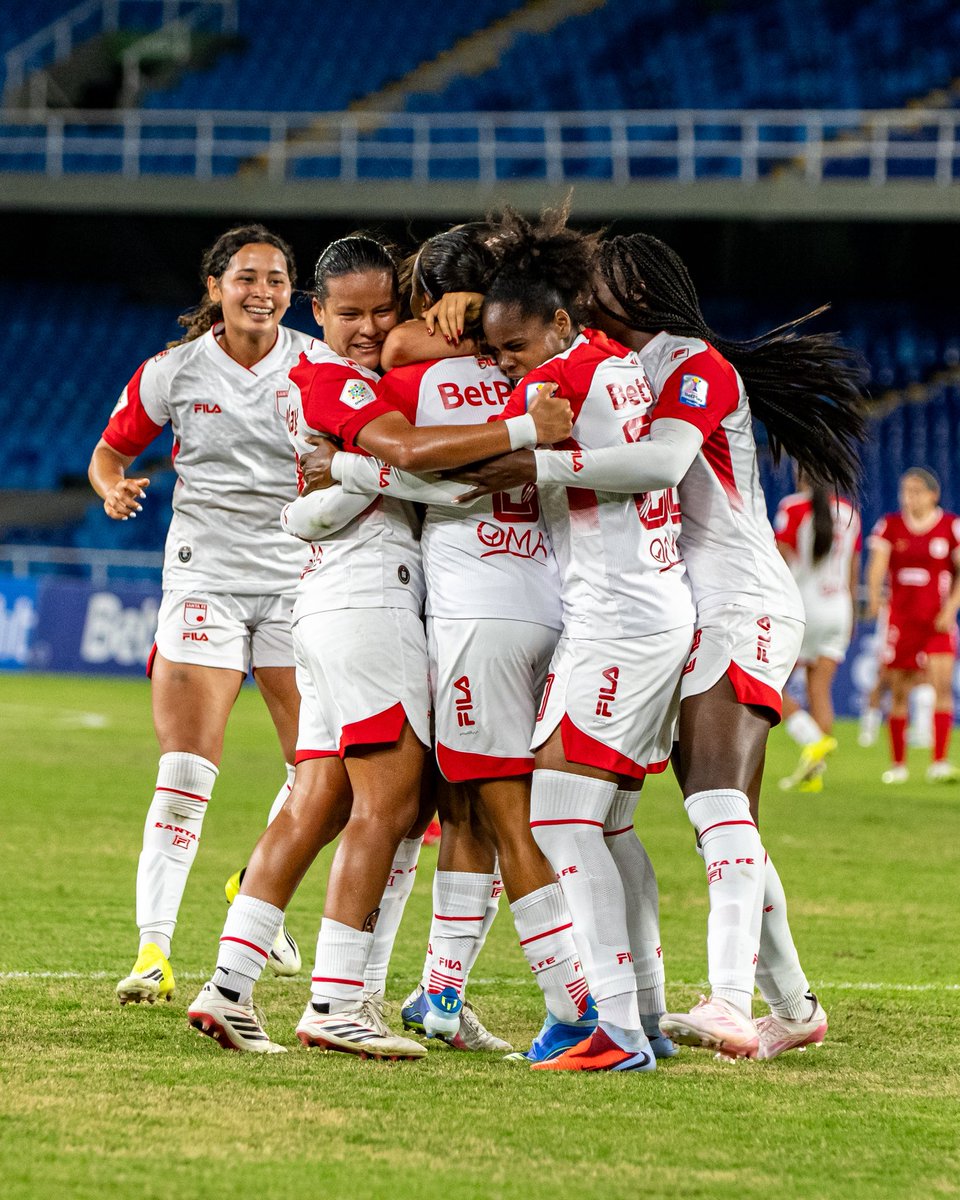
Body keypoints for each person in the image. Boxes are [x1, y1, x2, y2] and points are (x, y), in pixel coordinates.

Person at [459, 229, 869, 1060]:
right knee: (703, 816)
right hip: (687, 604)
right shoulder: (624, 363)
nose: (591, 288)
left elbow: (661, 462)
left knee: (715, 807)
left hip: (740, 600)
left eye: (604, 278)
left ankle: (724, 1000)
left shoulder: (693, 366)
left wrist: (536, 468)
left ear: (638, 290)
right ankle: (791, 1007)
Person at [186, 235, 572, 1056]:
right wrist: (517, 432)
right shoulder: (337, 382)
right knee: (392, 807)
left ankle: (229, 984)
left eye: (381, 311)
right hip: (373, 602)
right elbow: (402, 453)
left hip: (333, 600)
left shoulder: (366, 380)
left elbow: (369, 472)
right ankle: (335, 1003)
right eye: (349, 313)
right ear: (314, 312)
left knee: (319, 798)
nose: (369, 328)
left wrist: (358, 479)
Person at [305, 224, 613, 1062]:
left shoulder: (416, 367)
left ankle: (577, 1008)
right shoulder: (544, 368)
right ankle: (441, 991)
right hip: (545, 599)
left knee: (509, 817)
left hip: (475, 615)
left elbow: (386, 359)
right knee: (464, 803)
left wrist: (437, 316)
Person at [473, 208, 696, 1073]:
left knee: (560, 821)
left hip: (618, 620)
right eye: (492, 350)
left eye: (513, 346)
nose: (504, 365)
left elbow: (500, 467)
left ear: (561, 323)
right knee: (608, 831)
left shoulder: (558, 383)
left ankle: (617, 1030)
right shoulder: (617, 365)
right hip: (650, 609)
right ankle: (646, 1013)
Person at [89, 224, 312, 1006]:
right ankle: (153, 951)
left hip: (299, 582)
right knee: (186, 771)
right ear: (216, 286)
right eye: (246, 277)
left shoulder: (316, 366)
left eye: (278, 279)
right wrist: (112, 487)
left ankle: (254, 882)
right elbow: (110, 451)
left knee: (320, 771)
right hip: (204, 579)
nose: (263, 291)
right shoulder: (174, 372)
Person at [866, 468, 960, 784]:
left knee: (941, 686)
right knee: (899, 689)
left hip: (937, 622)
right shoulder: (890, 525)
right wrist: (876, 597)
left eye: (917, 491)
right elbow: (878, 564)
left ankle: (939, 762)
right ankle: (898, 764)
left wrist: (951, 609)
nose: (910, 497)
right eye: (905, 490)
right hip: (901, 622)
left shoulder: (950, 527)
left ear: (934, 494)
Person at [775, 474, 861, 792]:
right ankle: (815, 775)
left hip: (802, 606)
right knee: (820, 690)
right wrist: (851, 612)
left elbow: (779, 557)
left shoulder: (793, 507)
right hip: (838, 606)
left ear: (800, 477)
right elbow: (853, 566)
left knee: (771, 685)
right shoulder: (849, 512)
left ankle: (812, 740)